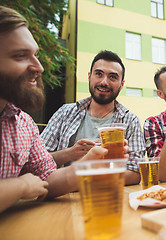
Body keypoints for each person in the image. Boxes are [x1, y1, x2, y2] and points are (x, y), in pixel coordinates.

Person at [0, 6, 111, 213]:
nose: (39, 67)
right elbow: (31, 184)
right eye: (19, 56)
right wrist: (21, 185)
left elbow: (48, 178)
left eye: (35, 55)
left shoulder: (23, 123)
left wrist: (93, 159)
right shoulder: (65, 111)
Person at [40, 50, 145, 185]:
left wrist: (90, 179)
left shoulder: (130, 121)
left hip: (104, 197)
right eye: (99, 74)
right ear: (89, 76)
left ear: (122, 84)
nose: (104, 82)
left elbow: (135, 173)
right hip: (60, 197)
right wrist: (70, 153)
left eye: (112, 77)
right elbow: (37, 162)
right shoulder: (65, 113)